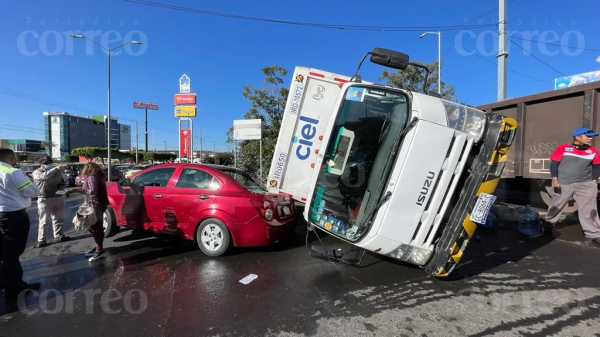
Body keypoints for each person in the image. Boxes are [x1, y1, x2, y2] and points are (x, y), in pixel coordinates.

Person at [545, 127, 600, 244]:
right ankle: (548, 224)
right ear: (577, 137)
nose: (590, 138)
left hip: (585, 184)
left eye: (591, 136)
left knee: (590, 208)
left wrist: (594, 181)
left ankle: (593, 233)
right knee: (556, 205)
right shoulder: (563, 148)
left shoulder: (593, 151)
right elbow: (554, 164)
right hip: (564, 183)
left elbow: (597, 166)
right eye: (588, 136)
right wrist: (554, 178)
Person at [0, 148, 41, 296]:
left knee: (4, 250)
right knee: (13, 251)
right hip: (13, 216)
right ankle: (14, 285)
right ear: (12, 159)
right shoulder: (12, 172)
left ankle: (3, 280)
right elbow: (32, 191)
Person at [68, 162, 109, 261]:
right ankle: (99, 247)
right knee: (98, 227)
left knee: (93, 227)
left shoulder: (91, 177)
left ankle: (99, 249)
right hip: (100, 204)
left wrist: (76, 190)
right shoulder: (99, 176)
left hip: (94, 205)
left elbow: (93, 191)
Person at [32, 156, 71, 248]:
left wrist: (63, 183)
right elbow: (44, 177)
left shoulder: (57, 171)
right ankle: (42, 240)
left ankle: (59, 236)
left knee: (59, 219)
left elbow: (66, 181)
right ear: (40, 164)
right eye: (46, 163)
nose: (48, 164)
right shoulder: (37, 172)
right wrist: (55, 169)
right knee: (44, 221)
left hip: (59, 196)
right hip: (45, 199)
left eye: (49, 162)